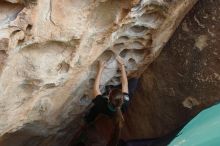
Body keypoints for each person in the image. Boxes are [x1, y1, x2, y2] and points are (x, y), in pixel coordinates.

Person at [72, 56, 139, 146]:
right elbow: (125, 83)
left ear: (108, 97)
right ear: (122, 98)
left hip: (106, 109)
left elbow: (95, 88)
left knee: (95, 108)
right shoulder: (124, 103)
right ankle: (88, 120)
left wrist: (100, 68)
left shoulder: (101, 104)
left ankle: (88, 120)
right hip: (112, 111)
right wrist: (122, 66)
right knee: (134, 81)